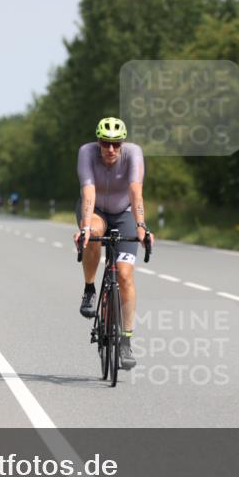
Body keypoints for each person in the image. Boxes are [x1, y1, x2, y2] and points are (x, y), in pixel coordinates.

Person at [73, 117, 152, 370]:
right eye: (105, 143)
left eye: (116, 144)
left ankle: (126, 341)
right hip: (94, 210)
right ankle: (89, 289)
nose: (110, 149)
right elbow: (88, 191)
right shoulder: (87, 153)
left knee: (125, 275)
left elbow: (135, 191)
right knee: (94, 233)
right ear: (98, 142)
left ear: (123, 143)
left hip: (124, 212)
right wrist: (85, 226)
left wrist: (141, 226)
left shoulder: (133, 153)